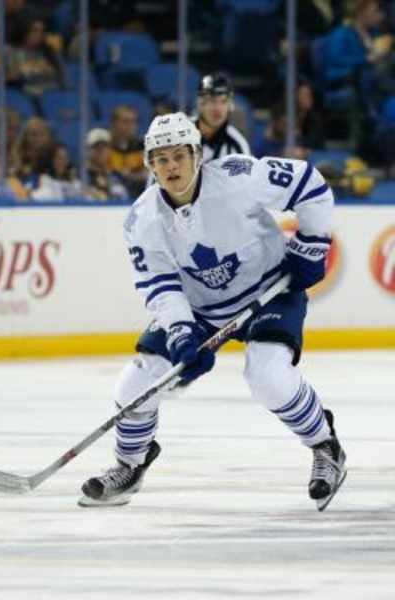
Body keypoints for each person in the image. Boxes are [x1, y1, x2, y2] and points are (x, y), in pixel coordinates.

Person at [79, 112, 347, 511]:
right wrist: (182, 332)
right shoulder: (141, 219)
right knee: (132, 386)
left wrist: (311, 244)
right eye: (161, 158)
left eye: (179, 156)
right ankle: (130, 465)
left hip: (269, 291)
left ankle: (326, 447)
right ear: (149, 164)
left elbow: (311, 184)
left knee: (268, 377)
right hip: (201, 309)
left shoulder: (239, 178)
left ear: (197, 154)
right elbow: (160, 286)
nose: (171, 166)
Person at [194, 72, 251, 161]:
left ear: (230, 105)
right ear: (200, 103)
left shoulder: (238, 146)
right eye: (212, 100)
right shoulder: (179, 134)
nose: (218, 108)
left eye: (223, 101)